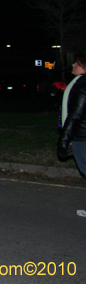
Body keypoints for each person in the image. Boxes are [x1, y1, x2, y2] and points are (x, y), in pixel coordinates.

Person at [56, 54, 86, 217]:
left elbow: (75, 115)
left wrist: (64, 139)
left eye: (78, 63)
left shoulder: (82, 85)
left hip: (82, 135)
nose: (73, 64)